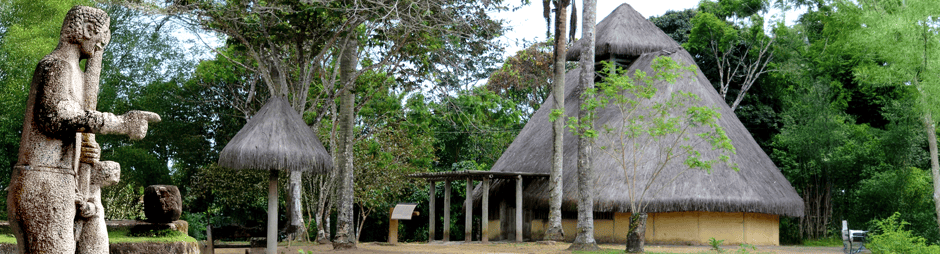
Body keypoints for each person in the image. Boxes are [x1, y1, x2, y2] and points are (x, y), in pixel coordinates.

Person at [6, 6, 160, 253]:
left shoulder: (76, 74)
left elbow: (71, 125)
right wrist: (119, 123)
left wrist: (84, 153)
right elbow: (54, 117)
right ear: (88, 29)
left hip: (62, 182)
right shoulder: (55, 66)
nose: (100, 48)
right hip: (44, 181)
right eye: (101, 40)